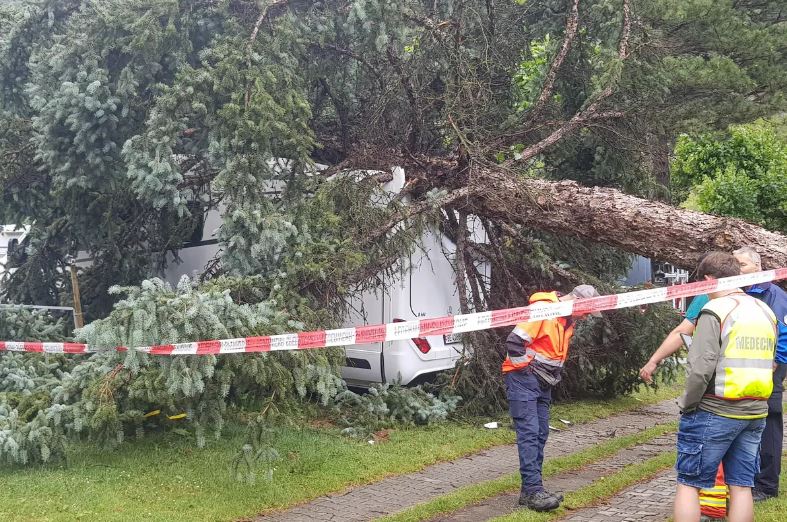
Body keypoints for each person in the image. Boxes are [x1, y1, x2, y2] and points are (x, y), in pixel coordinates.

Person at [674, 252, 778, 522]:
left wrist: (687, 404)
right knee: (742, 485)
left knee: (689, 483)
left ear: (708, 280)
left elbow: (701, 367)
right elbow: (773, 361)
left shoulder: (716, 310)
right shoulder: (764, 310)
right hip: (755, 411)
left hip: (715, 408)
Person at [504, 284, 601, 511]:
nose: (587, 317)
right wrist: (525, 372)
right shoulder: (544, 311)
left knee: (540, 433)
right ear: (576, 301)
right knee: (529, 434)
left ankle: (531, 490)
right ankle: (534, 491)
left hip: (541, 382)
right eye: (586, 312)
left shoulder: (565, 319)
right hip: (524, 380)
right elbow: (514, 342)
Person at [733, 246, 787, 502]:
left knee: (769, 420)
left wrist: (775, 363)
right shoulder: (738, 293)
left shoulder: (773, 294)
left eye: (742, 264)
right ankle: (747, 478)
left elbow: (784, 333)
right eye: (734, 264)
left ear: (758, 266)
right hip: (745, 366)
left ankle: (767, 485)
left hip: (771, 367)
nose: (737, 269)